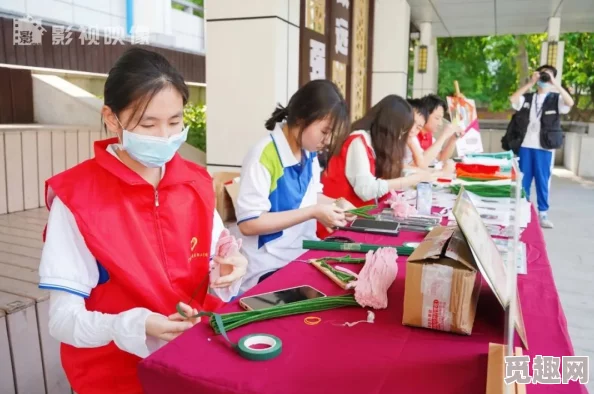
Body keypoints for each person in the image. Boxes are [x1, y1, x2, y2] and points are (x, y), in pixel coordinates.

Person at [37, 48, 247, 394]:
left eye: (176, 121)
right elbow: (62, 320)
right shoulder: (78, 198)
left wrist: (231, 261)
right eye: (148, 124)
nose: (164, 136)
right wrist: (132, 325)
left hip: (189, 356)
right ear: (112, 118)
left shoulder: (194, 181)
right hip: (113, 373)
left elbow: (216, 243)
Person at [234, 79, 351, 292]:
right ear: (301, 117)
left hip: (301, 253)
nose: (328, 140)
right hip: (268, 267)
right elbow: (249, 224)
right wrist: (314, 212)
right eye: (325, 131)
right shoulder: (264, 155)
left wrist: (337, 205)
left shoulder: (309, 152)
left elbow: (312, 198)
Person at [321, 95, 439, 213]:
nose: (400, 137)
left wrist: (417, 175)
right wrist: (412, 179)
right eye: (401, 130)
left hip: (354, 215)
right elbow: (366, 190)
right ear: (389, 126)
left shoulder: (373, 141)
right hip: (339, 220)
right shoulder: (358, 140)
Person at [509, 64, 574, 228]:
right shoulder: (529, 97)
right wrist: (530, 83)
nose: (545, 79)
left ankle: (543, 214)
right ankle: (522, 211)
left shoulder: (555, 99)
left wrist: (555, 83)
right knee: (523, 180)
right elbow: (513, 100)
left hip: (544, 147)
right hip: (525, 146)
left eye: (548, 76)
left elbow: (570, 102)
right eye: (543, 75)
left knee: (542, 181)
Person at [414, 94, 462, 168]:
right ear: (423, 115)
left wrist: (453, 138)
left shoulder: (428, 136)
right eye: (437, 118)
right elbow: (420, 164)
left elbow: (441, 158)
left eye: (441, 118)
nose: (440, 123)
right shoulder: (412, 135)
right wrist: (444, 136)